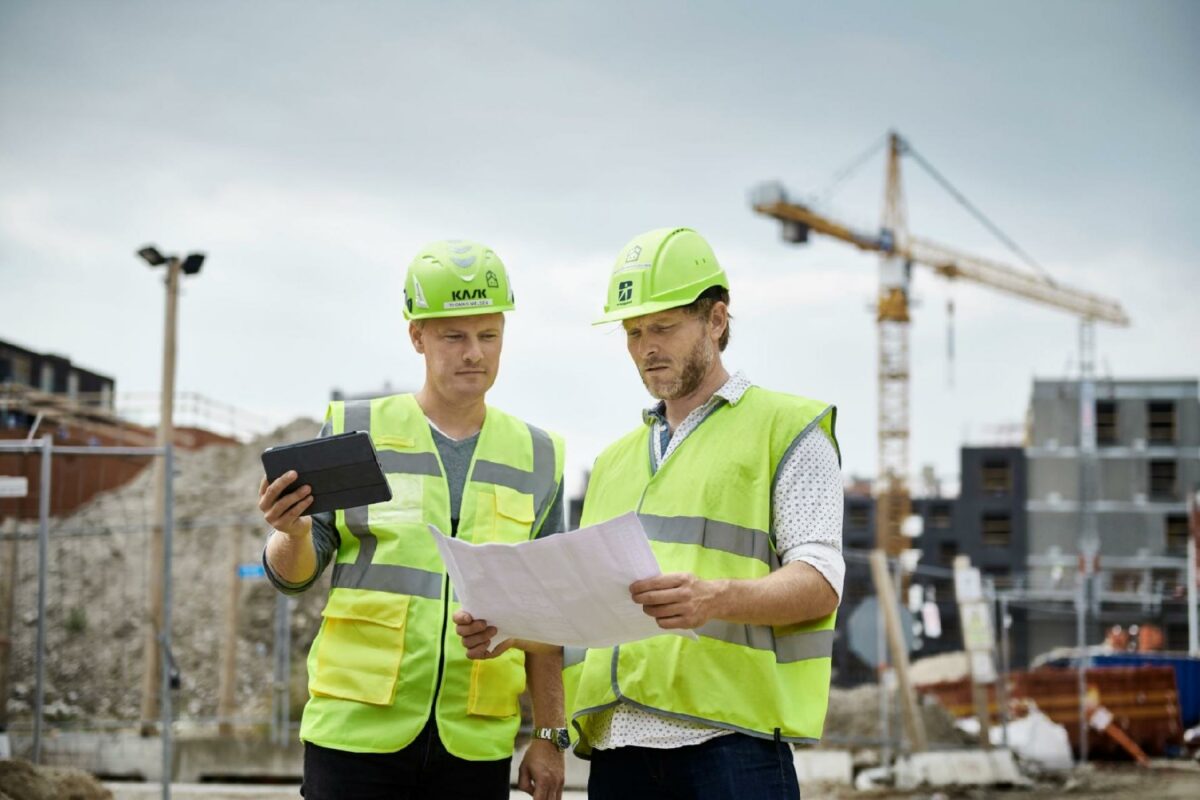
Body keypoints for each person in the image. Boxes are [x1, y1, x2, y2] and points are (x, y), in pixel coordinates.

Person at [457, 227, 844, 799]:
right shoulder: (613, 462)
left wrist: (714, 598)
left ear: (716, 320)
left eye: (663, 327)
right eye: (634, 332)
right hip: (619, 751)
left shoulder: (788, 429)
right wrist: (515, 629)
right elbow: (586, 617)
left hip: (732, 745)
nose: (646, 348)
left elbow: (820, 580)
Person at [258, 240, 568, 800]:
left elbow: (545, 612)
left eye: (488, 335)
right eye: (454, 336)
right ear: (417, 336)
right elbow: (292, 575)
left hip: (473, 741)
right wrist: (293, 534)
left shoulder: (537, 456)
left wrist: (548, 734)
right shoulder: (358, 430)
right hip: (355, 737)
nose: (474, 352)